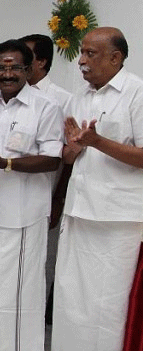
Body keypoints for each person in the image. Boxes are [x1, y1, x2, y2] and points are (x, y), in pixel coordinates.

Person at [0, 39, 63, 351]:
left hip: (24, 214)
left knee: (19, 286)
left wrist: (3, 163)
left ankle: (15, 345)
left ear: (29, 70)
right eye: (1, 68)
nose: (7, 74)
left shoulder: (45, 106)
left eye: (15, 67)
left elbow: (52, 159)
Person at [52, 27, 143, 351]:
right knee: (71, 296)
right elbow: (69, 156)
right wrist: (74, 148)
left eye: (90, 53)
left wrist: (97, 141)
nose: (81, 60)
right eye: (82, 52)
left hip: (117, 220)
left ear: (115, 58)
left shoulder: (136, 92)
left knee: (107, 304)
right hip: (79, 211)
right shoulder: (80, 96)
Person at [19, 33, 72, 325]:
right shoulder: (12, 93)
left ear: (41, 61)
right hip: (13, 191)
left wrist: (59, 197)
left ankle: (35, 323)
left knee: (42, 260)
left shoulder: (62, 99)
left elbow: (68, 156)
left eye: (25, 56)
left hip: (46, 191)